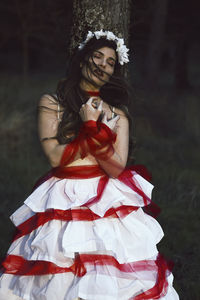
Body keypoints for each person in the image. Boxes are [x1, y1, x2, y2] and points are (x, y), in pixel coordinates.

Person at [0, 30, 179, 300]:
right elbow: (56, 158)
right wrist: (89, 126)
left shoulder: (118, 114)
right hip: (62, 195)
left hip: (106, 197)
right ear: (82, 60)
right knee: (58, 269)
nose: (103, 65)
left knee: (108, 273)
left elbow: (116, 168)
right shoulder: (52, 103)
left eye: (110, 62)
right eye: (97, 56)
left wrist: (98, 131)